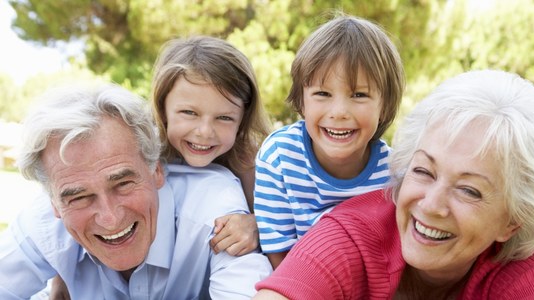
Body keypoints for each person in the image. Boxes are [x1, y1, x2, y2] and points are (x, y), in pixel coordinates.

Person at [253, 69, 534, 299]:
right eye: (424, 172)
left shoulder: (533, 271)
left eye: (469, 190)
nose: (431, 205)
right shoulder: (350, 237)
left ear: (513, 222)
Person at [0, 83, 272, 299]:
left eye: (123, 184)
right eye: (80, 197)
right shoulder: (42, 225)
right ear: (54, 203)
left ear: (156, 169)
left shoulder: (215, 210)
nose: (110, 218)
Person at [253, 13, 405, 269]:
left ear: (385, 105)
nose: (339, 112)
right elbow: (278, 254)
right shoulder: (279, 157)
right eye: (322, 93)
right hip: (295, 280)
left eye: (359, 94)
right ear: (301, 100)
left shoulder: (393, 174)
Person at [152, 36, 272, 256]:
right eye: (189, 113)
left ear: (242, 120)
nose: (205, 132)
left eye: (224, 118)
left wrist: (256, 224)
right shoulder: (142, 151)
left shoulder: (249, 161)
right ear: (162, 109)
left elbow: (283, 221)